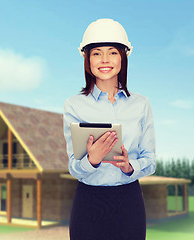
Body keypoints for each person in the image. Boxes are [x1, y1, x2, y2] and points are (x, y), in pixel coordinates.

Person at [63, 19, 156, 240]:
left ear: (123, 57)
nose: (105, 60)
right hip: (88, 203)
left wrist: (130, 167)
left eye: (112, 52)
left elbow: (150, 160)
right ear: (87, 60)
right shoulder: (73, 105)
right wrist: (91, 160)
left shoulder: (141, 105)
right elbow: (74, 168)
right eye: (96, 53)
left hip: (129, 203)